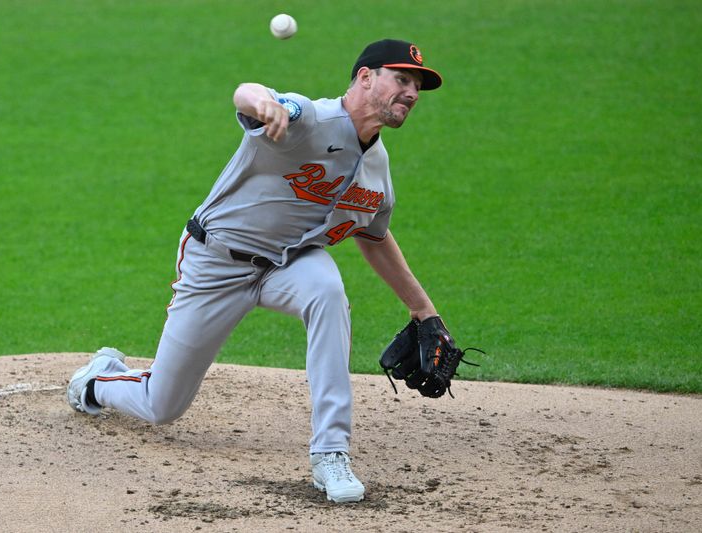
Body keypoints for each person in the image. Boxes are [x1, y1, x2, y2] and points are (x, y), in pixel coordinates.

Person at [67, 39, 444, 504]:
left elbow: (374, 237)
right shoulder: (307, 117)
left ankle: (331, 453)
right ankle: (98, 379)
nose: (411, 92)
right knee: (161, 405)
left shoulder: (378, 171)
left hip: (289, 264)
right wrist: (264, 103)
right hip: (216, 263)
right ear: (365, 77)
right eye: (401, 79)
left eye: (417, 86)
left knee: (327, 292)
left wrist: (423, 311)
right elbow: (246, 93)